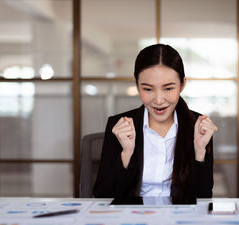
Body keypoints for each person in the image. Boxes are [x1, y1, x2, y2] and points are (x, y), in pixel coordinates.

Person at [93, 44, 217, 198]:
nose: (158, 100)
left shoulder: (198, 127)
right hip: (133, 218)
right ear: (137, 86)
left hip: (178, 219)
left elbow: (202, 198)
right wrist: (126, 154)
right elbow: (102, 195)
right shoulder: (118, 126)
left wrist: (199, 151)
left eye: (168, 88)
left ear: (182, 85)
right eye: (148, 89)